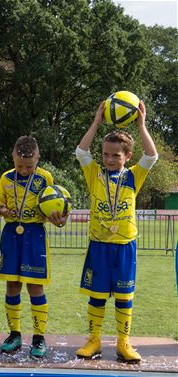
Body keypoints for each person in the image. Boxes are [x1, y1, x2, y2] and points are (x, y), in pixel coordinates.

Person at [75, 100, 157, 363]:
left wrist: (141, 126)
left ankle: (123, 343)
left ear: (127, 157)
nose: (109, 159)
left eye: (116, 156)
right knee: (97, 296)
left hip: (124, 245)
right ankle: (94, 340)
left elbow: (152, 156)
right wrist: (96, 122)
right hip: (99, 244)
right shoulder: (94, 173)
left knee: (124, 296)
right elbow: (81, 151)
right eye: (106, 155)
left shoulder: (134, 175)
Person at [0, 136, 67, 359]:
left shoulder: (45, 177)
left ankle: (39, 337)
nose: (24, 170)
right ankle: (14, 334)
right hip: (11, 234)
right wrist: (3, 210)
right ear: (13, 157)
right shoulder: (5, 177)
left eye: (29, 166)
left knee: (35, 287)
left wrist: (59, 218)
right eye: (19, 165)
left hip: (35, 234)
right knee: (12, 286)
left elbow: (56, 204)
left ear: (38, 159)